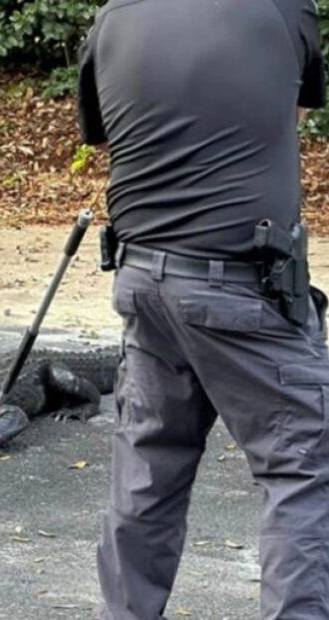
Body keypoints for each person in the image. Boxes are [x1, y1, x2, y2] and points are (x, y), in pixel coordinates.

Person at [77, 0, 328, 618]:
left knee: (148, 472)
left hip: (145, 284)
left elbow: (107, 133)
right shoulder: (281, 10)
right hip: (242, 288)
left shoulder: (113, 20)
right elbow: (284, 113)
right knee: (302, 468)